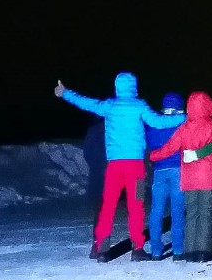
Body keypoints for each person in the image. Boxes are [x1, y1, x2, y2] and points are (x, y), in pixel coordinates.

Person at [55, 73, 183, 261]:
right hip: (136, 166)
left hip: (114, 166)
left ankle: (101, 249)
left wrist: (65, 93)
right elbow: (158, 122)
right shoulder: (139, 106)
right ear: (134, 87)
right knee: (136, 205)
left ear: (117, 87)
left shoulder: (110, 106)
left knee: (108, 205)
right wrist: (184, 118)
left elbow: (87, 103)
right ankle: (137, 249)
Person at [145, 90, 212, 262]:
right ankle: (202, 251)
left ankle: (189, 252)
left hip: (189, 179)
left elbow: (169, 148)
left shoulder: (184, 128)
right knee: (205, 213)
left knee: (191, 214)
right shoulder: (211, 125)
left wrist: (152, 156)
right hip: (208, 178)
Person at [141, 92, 189, 260]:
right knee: (177, 211)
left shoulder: (153, 123)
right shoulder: (182, 123)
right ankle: (178, 250)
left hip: (158, 171)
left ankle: (156, 250)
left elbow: (146, 145)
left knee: (156, 211)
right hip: (178, 169)